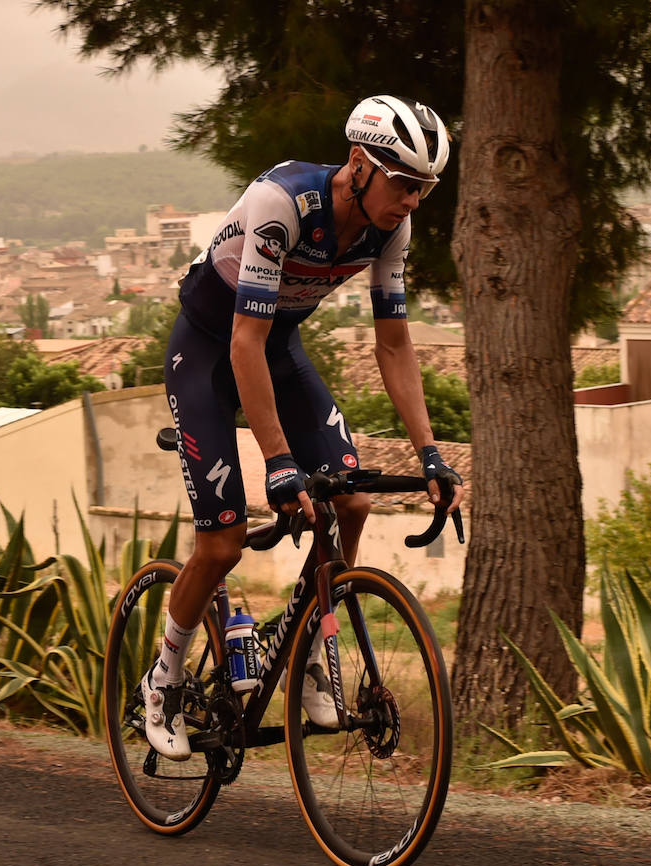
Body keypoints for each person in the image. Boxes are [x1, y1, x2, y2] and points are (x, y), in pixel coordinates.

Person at [145, 94, 466, 759]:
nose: (412, 200)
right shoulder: (281, 203)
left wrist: (430, 453)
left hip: (278, 347)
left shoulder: (391, 229)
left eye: (425, 189)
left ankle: (309, 650)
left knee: (350, 499)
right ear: (360, 163)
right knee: (223, 543)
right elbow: (243, 341)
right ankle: (164, 675)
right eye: (405, 183)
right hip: (210, 349)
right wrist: (279, 459)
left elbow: (396, 347)